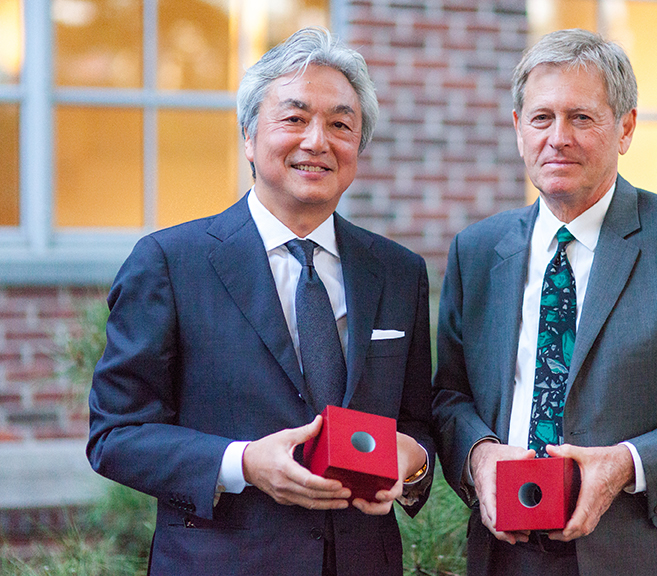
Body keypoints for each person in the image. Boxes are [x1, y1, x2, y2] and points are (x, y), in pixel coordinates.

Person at [432, 28, 657, 576]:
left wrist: (626, 464)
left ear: (626, 128)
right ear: (518, 130)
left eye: (582, 117)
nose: (558, 138)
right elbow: (450, 398)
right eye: (541, 118)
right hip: (506, 556)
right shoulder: (477, 252)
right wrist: (478, 456)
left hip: (644, 554)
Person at [87, 27, 433, 576]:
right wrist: (242, 463)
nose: (318, 141)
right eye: (294, 118)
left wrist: (412, 462)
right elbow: (116, 435)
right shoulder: (170, 262)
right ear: (249, 137)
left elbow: (415, 421)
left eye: (341, 124)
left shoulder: (397, 271)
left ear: (358, 149)